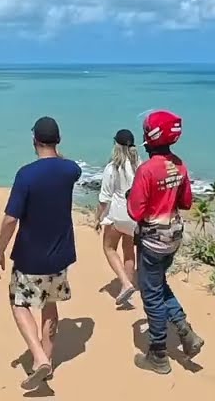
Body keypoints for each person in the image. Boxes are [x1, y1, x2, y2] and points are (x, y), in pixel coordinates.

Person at [0, 116, 82, 391]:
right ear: (59, 140)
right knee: (50, 305)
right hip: (60, 255)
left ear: (34, 141)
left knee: (19, 303)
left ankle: (39, 356)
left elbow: (10, 219)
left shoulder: (26, 174)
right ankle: (48, 363)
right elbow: (65, 165)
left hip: (31, 256)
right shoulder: (71, 170)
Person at [126, 110, 205, 374]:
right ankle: (185, 331)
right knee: (159, 285)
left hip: (152, 241)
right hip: (174, 237)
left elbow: (135, 212)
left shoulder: (147, 170)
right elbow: (185, 202)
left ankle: (158, 353)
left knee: (150, 295)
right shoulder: (179, 165)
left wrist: (132, 196)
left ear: (149, 137)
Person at [95, 128, 141, 307]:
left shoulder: (112, 167)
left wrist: (98, 218)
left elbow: (104, 198)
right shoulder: (139, 165)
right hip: (134, 215)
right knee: (129, 250)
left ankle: (125, 282)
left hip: (117, 214)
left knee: (109, 248)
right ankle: (127, 288)